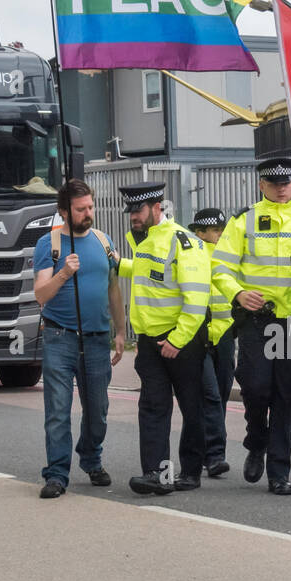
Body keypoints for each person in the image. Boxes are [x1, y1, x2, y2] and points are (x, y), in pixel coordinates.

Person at [210, 158, 291, 496]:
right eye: (273, 183)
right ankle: (257, 441)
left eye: (286, 182)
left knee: (286, 396)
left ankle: (279, 472)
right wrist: (238, 293)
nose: (281, 188)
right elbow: (220, 267)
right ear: (261, 185)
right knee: (255, 389)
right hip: (257, 320)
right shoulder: (244, 220)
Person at [115, 182, 211, 495]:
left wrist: (178, 340)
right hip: (149, 342)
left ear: (157, 208)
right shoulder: (144, 242)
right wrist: (118, 264)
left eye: (139, 211)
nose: (133, 217)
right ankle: (159, 475)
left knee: (191, 407)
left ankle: (192, 472)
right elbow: (149, 277)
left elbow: (196, 299)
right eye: (130, 212)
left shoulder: (183, 242)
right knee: (153, 408)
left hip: (181, 341)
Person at [32, 178, 126, 499]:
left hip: (98, 338)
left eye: (90, 207)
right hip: (60, 337)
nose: (88, 213)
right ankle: (57, 474)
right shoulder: (50, 244)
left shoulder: (103, 241)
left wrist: (122, 331)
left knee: (97, 408)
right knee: (58, 409)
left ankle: (90, 456)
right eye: (80, 209)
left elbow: (113, 288)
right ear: (64, 211)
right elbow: (40, 294)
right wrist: (63, 273)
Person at [188, 207, 234, 478]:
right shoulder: (192, 252)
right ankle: (215, 455)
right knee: (210, 396)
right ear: (200, 232)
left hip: (226, 331)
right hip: (200, 333)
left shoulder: (229, 254)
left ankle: (207, 451)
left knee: (222, 394)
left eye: (221, 230)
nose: (219, 235)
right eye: (214, 230)